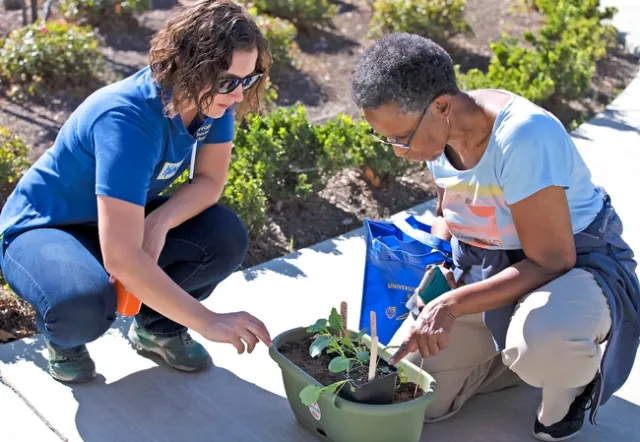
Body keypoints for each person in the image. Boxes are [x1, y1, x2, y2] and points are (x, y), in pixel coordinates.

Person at [350, 32, 639, 441]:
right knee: (416, 399)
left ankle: (569, 387)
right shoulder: (442, 135)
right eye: (387, 139)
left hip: (570, 265)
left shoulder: (523, 137)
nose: (398, 151)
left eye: (401, 138)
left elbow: (553, 259)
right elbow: (450, 211)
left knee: (547, 342)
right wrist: (440, 263)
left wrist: (450, 306)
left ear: (442, 106)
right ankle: (514, 350)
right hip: (489, 266)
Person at [0, 0, 273, 384]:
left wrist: (159, 222)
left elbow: (209, 182)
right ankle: (63, 339)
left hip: (118, 219)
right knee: (81, 304)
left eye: (249, 79)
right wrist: (207, 321)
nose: (240, 94)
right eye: (229, 80)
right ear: (190, 67)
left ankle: (156, 329)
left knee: (223, 237)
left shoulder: (214, 101)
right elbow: (122, 256)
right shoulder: (125, 119)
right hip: (46, 228)